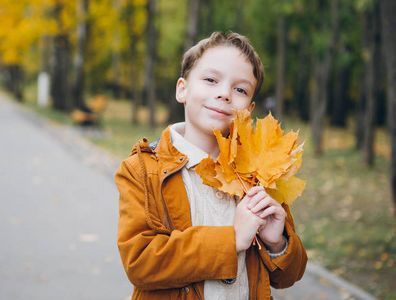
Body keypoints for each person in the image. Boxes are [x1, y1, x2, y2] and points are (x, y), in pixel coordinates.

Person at [115, 31, 307, 300]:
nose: (225, 94)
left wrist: (277, 243)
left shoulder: (257, 172)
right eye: (211, 80)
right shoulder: (142, 170)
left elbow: (288, 277)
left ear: (249, 109)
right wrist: (232, 240)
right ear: (182, 89)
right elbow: (140, 262)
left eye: (240, 89)